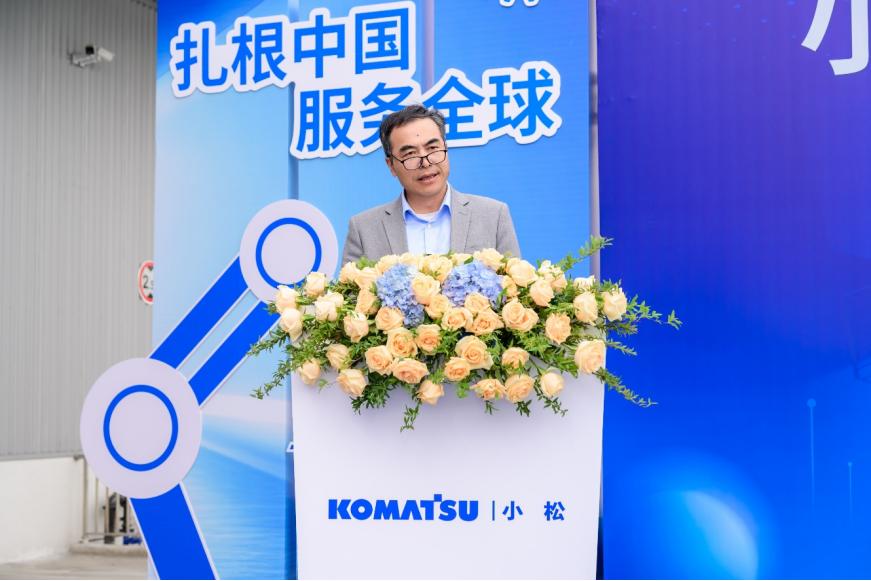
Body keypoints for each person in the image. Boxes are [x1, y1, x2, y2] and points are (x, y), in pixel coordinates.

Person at [341, 105, 521, 265]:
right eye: (410, 154)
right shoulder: (363, 228)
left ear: (446, 147)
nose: (425, 162)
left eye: (432, 148)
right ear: (391, 166)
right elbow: (351, 292)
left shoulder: (493, 215)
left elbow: (515, 288)